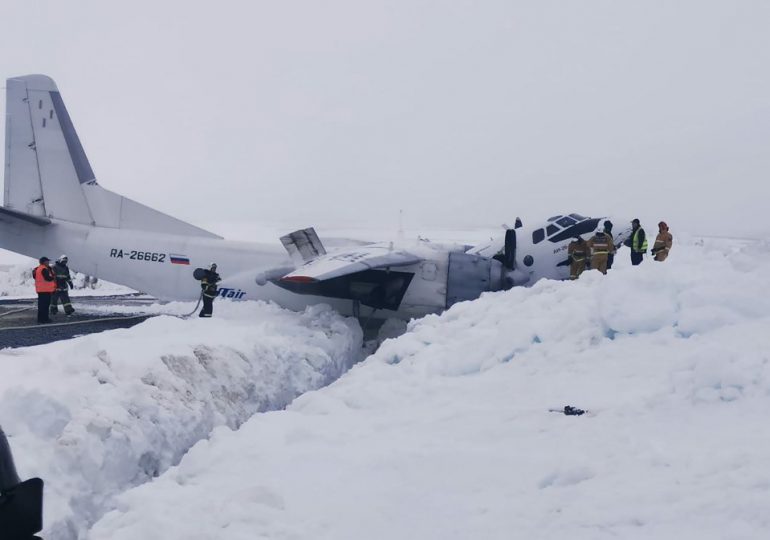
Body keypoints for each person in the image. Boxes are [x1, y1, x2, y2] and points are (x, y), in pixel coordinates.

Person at [33, 257, 56, 323]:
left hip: (41, 290)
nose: (48, 262)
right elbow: (48, 278)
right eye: (47, 261)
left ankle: (41, 319)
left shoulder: (38, 269)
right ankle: (45, 319)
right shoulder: (44, 269)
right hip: (45, 290)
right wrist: (53, 277)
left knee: (41, 306)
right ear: (44, 262)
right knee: (45, 306)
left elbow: (35, 277)